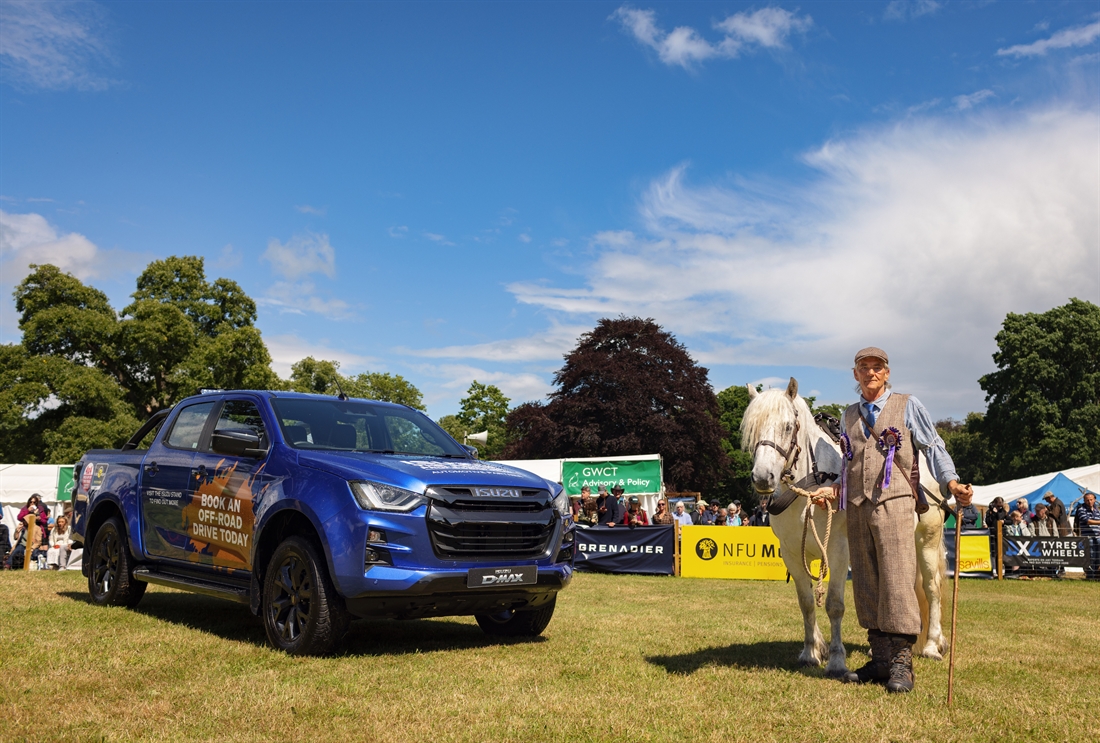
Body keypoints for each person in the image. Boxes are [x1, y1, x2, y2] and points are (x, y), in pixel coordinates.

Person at [814, 347, 972, 694]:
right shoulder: (848, 415)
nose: (871, 373)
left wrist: (951, 482)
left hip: (896, 504)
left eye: (877, 368)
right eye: (864, 368)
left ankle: (903, 664)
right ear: (855, 374)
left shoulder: (908, 405)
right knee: (867, 582)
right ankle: (881, 659)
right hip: (856, 506)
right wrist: (835, 490)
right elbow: (849, 462)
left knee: (899, 579)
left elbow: (934, 447)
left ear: (887, 373)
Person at [1073, 491, 1100, 580]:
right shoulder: (1081, 509)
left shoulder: (1097, 510)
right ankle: (1090, 576)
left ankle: (1096, 576)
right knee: (1091, 557)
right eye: (1087, 500)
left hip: (1098, 537)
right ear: (1084, 501)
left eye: (1091, 500)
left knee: (1098, 557)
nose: (1089, 502)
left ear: (1095, 500)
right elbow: (1087, 521)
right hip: (1088, 538)